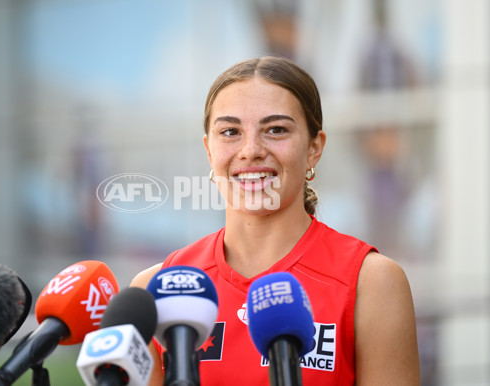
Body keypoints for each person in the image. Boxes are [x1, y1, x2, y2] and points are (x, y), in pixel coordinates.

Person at [131, 56, 420, 385]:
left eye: (276, 130)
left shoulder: (371, 283)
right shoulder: (156, 289)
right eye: (230, 132)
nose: (251, 150)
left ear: (314, 148)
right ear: (209, 151)